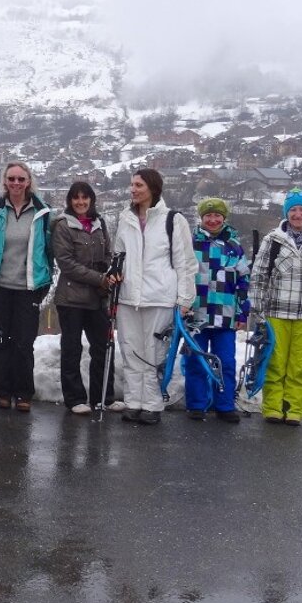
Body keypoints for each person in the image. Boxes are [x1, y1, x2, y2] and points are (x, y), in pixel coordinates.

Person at [111, 168, 197, 425]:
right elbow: (118, 255)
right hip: (128, 298)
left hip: (159, 296)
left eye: (138, 185)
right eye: (132, 185)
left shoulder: (173, 220)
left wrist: (184, 300)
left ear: (152, 188)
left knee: (154, 354)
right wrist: (114, 275)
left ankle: (151, 404)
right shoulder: (125, 218)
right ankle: (133, 402)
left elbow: (185, 263)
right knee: (130, 351)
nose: (133, 190)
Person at [247, 189, 302, 426]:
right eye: (294, 210)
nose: (298, 215)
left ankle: (294, 409)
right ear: (287, 213)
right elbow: (258, 275)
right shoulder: (273, 240)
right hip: (276, 311)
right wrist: (256, 306)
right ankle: (273, 408)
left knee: (300, 365)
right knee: (274, 362)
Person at [0, 161, 53, 412]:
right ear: (5, 181)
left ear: (28, 182)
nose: (16, 183)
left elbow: (49, 250)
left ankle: (23, 393)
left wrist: (45, 282)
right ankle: (2, 391)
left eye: (21, 179)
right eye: (11, 179)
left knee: (24, 343)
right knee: (0, 341)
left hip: (28, 288)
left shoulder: (42, 213)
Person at [51, 181, 117, 415]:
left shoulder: (100, 224)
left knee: (103, 347)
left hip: (97, 298)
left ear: (91, 200)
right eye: (76, 198)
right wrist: (99, 278)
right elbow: (66, 263)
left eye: (85, 197)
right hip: (71, 298)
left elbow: (108, 253)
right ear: (70, 201)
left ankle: (103, 397)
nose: (80, 202)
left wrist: (109, 271)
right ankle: (75, 398)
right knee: (72, 348)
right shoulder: (63, 225)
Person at [185, 197, 250, 423]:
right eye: (208, 216)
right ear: (201, 218)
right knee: (196, 361)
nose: (212, 220)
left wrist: (243, 312)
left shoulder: (233, 247)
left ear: (224, 218)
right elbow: (181, 274)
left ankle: (224, 405)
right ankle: (196, 404)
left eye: (217, 216)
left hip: (225, 315)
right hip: (196, 314)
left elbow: (243, 280)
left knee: (225, 361)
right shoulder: (191, 243)